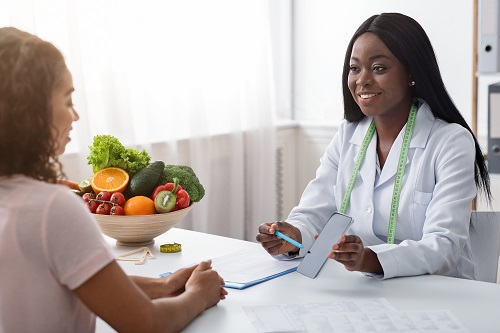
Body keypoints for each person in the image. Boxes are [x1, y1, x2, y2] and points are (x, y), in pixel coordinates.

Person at [0, 27, 227, 333]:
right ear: (30, 113)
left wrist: (165, 286)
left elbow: (80, 280)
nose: (75, 116)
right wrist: (200, 295)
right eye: (67, 101)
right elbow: (147, 323)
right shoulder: (52, 208)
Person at [256, 13, 492, 280]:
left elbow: (444, 246)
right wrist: (293, 235)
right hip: (365, 290)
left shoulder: (450, 141)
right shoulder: (347, 135)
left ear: (412, 73)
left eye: (379, 68)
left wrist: (370, 259)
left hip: (439, 293)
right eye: (355, 68)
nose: (362, 80)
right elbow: (314, 213)